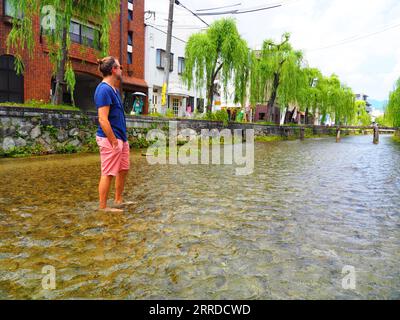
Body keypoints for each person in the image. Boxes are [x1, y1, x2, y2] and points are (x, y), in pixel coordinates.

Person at [94, 56, 131, 212]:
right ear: (113, 69)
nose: (121, 69)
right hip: (111, 139)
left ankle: (118, 200)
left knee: (123, 170)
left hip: (121, 138)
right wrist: (114, 141)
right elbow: (103, 119)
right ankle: (103, 207)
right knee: (108, 173)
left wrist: (121, 140)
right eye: (119, 66)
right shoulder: (103, 89)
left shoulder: (114, 89)